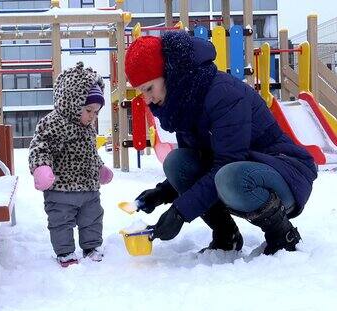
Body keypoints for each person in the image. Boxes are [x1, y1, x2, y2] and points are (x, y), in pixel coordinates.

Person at [124, 31, 317, 255]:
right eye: (141, 92)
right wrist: (161, 194)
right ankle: (227, 236)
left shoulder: (224, 94)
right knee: (177, 162)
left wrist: (180, 212)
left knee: (229, 176)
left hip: (284, 173)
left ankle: (283, 236)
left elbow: (228, 161)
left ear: (170, 74)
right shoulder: (183, 103)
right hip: (242, 171)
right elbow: (197, 164)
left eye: (149, 88)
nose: (147, 99)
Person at [28, 62, 113, 267]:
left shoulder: (87, 129)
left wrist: (99, 168)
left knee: (92, 218)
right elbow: (40, 146)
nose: (93, 116)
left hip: (89, 188)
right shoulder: (54, 122)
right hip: (61, 189)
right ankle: (65, 252)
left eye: (96, 112)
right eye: (89, 110)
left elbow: (90, 153)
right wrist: (42, 168)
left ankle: (92, 246)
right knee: (61, 221)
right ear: (72, 102)